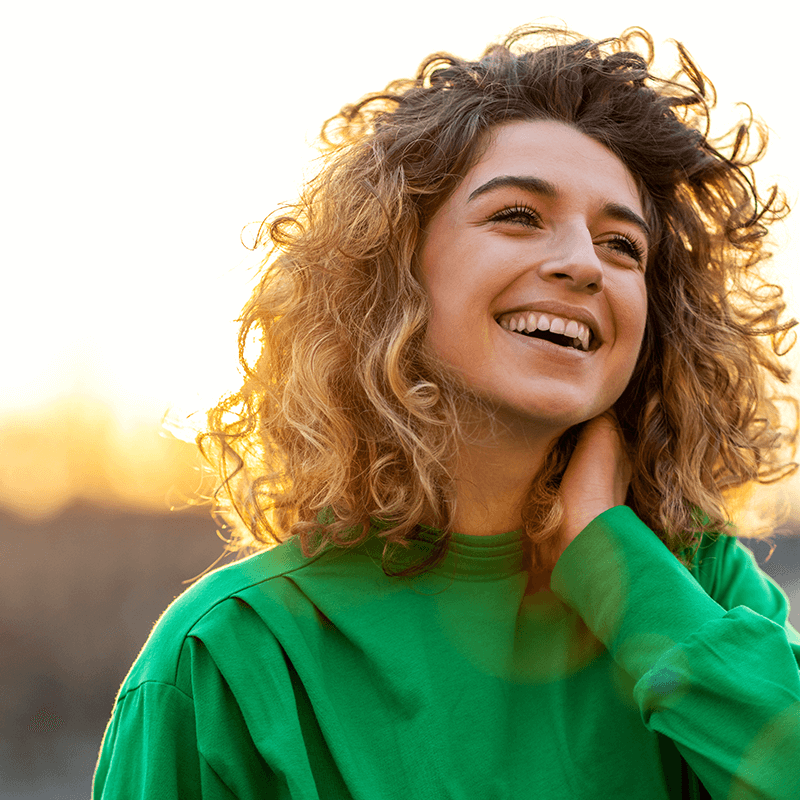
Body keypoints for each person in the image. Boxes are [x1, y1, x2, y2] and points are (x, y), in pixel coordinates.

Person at [92, 24, 800, 799]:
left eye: (623, 246)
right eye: (518, 217)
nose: (582, 263)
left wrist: (617, 569)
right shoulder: (230, 657)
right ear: (394, 270)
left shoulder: (698, 590)